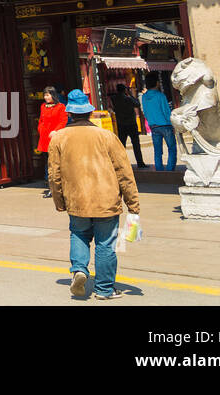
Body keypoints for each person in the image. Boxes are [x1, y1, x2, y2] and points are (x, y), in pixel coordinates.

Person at [48, 89, 141, 300]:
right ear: (90, 113)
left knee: (79, 234)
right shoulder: (107, 136)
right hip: (106, 200)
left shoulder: (59, 138)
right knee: (105, 243)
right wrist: (133, 204)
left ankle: (79, 269)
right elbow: (124, 172)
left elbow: (54, 175)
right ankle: (104, 289)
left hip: (76, 200)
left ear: (70, 114)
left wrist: (59, 201)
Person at [36, 87, 69, 197]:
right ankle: (52, 188)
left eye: (48, 95)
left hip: (56, 137)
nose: (46, 97)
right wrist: (40, 129)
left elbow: (63, 121)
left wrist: (56, 131)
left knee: (59, 163)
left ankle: (63, 187)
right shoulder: (43, 106)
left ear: (53, 95)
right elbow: (41, 120)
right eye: (45, 95)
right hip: (45, 138)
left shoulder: (61, 107)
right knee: (49, 163)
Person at [141, 74, 177, 171]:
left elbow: (145, 111)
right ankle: (170, 169)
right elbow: (166, 111)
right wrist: (172, 124)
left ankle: (159, 169)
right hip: (165, 125)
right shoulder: (160, 96)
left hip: (153, 126)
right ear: (156, 83)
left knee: (157, 151)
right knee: (172, 148)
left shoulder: (144, 97)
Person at [109, 82, 147, 167]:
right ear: (124, 90)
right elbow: (137, 104)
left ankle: (120, 163)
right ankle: (140, 162)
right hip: (131, 124)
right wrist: (130, 94)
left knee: (122, 145)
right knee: (136, 144)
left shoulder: (114, 99)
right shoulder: (128, 99)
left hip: (121, 124)